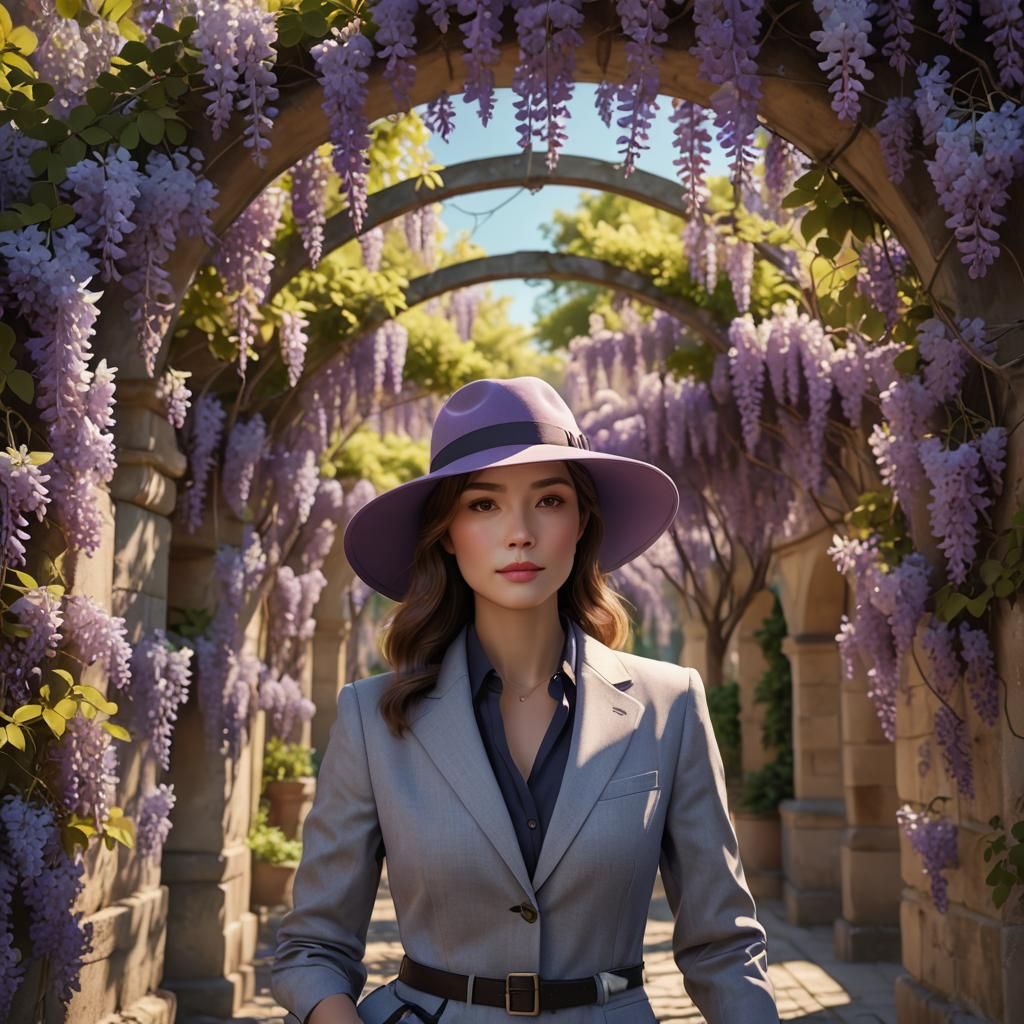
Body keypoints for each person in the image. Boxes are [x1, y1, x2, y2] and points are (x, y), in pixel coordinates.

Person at [271, 376, 779, 1024]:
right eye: (484, 505)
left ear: (581, 520)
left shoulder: (668, 705)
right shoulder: (372, 719)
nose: (520, 533)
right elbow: (312, 949)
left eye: (548, 500)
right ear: (447, 532)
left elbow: (725, 946)